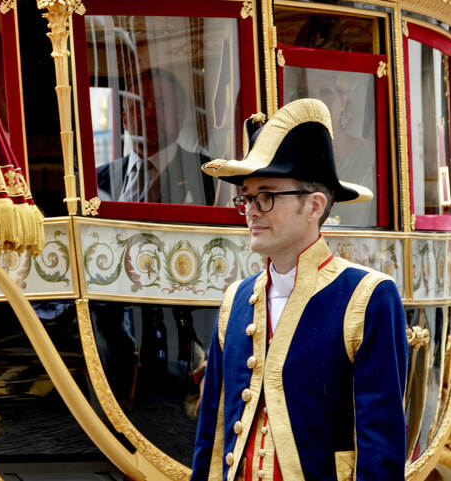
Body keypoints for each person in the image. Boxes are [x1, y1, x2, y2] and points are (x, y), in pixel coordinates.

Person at [190, 98, 407, 481]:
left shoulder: (367, 295)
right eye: (246, 198)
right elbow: (212, 435)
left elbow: (380, 447)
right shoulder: (236, 300)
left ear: (315, 206)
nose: (251, 210)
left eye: (267, 196)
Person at [96, 68, 214, 205]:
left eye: (161, 104)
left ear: (179, 118)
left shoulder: (210, 175)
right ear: (125, 120)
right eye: (139, 104)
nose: (149, 113)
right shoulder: (97, 180)